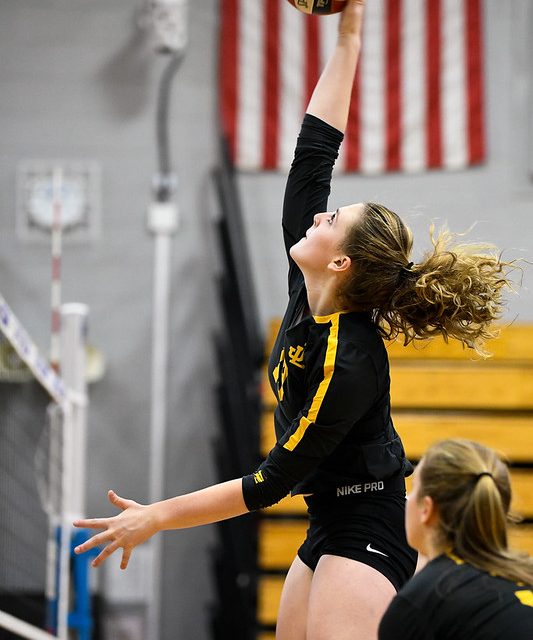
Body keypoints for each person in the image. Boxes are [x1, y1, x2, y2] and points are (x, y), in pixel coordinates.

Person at [74, 2, 515, 638]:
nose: (319, 215)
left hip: (368, 525)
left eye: (332, 219)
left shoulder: (350, 360)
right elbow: (316, 150)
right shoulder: (305, 279)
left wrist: (156, 517)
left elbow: (268, 479)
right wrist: (349, 29)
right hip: (327, 520)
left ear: (339, 261)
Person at [378, 439, 533, 640]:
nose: (407, 499)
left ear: (427, 508)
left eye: (414, 489)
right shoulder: (525, 573)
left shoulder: (421, 604)